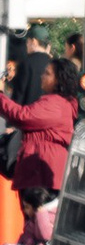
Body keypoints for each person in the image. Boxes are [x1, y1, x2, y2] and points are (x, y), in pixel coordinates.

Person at [0, 55, 77, 212]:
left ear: (59, 80)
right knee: (34, 223)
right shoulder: (56, 102)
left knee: (39, 223)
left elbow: (22, 116)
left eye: (47, 74)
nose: (42, 76)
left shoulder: (56, 104)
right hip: (39, 168)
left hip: (41, 172)